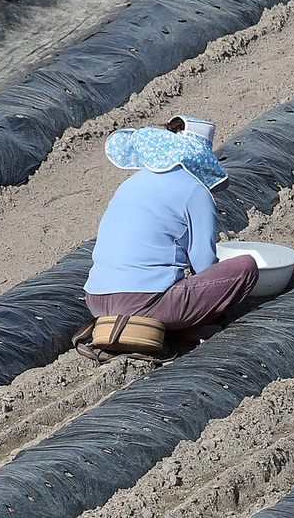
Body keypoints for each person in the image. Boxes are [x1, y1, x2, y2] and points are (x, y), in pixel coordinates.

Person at [83, 118, 258, 349]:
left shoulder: (130, 183)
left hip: (96, 300)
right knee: (246, 267)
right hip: (146, 302)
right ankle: (189, 331)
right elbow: (203, 265)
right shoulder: (195, 190)